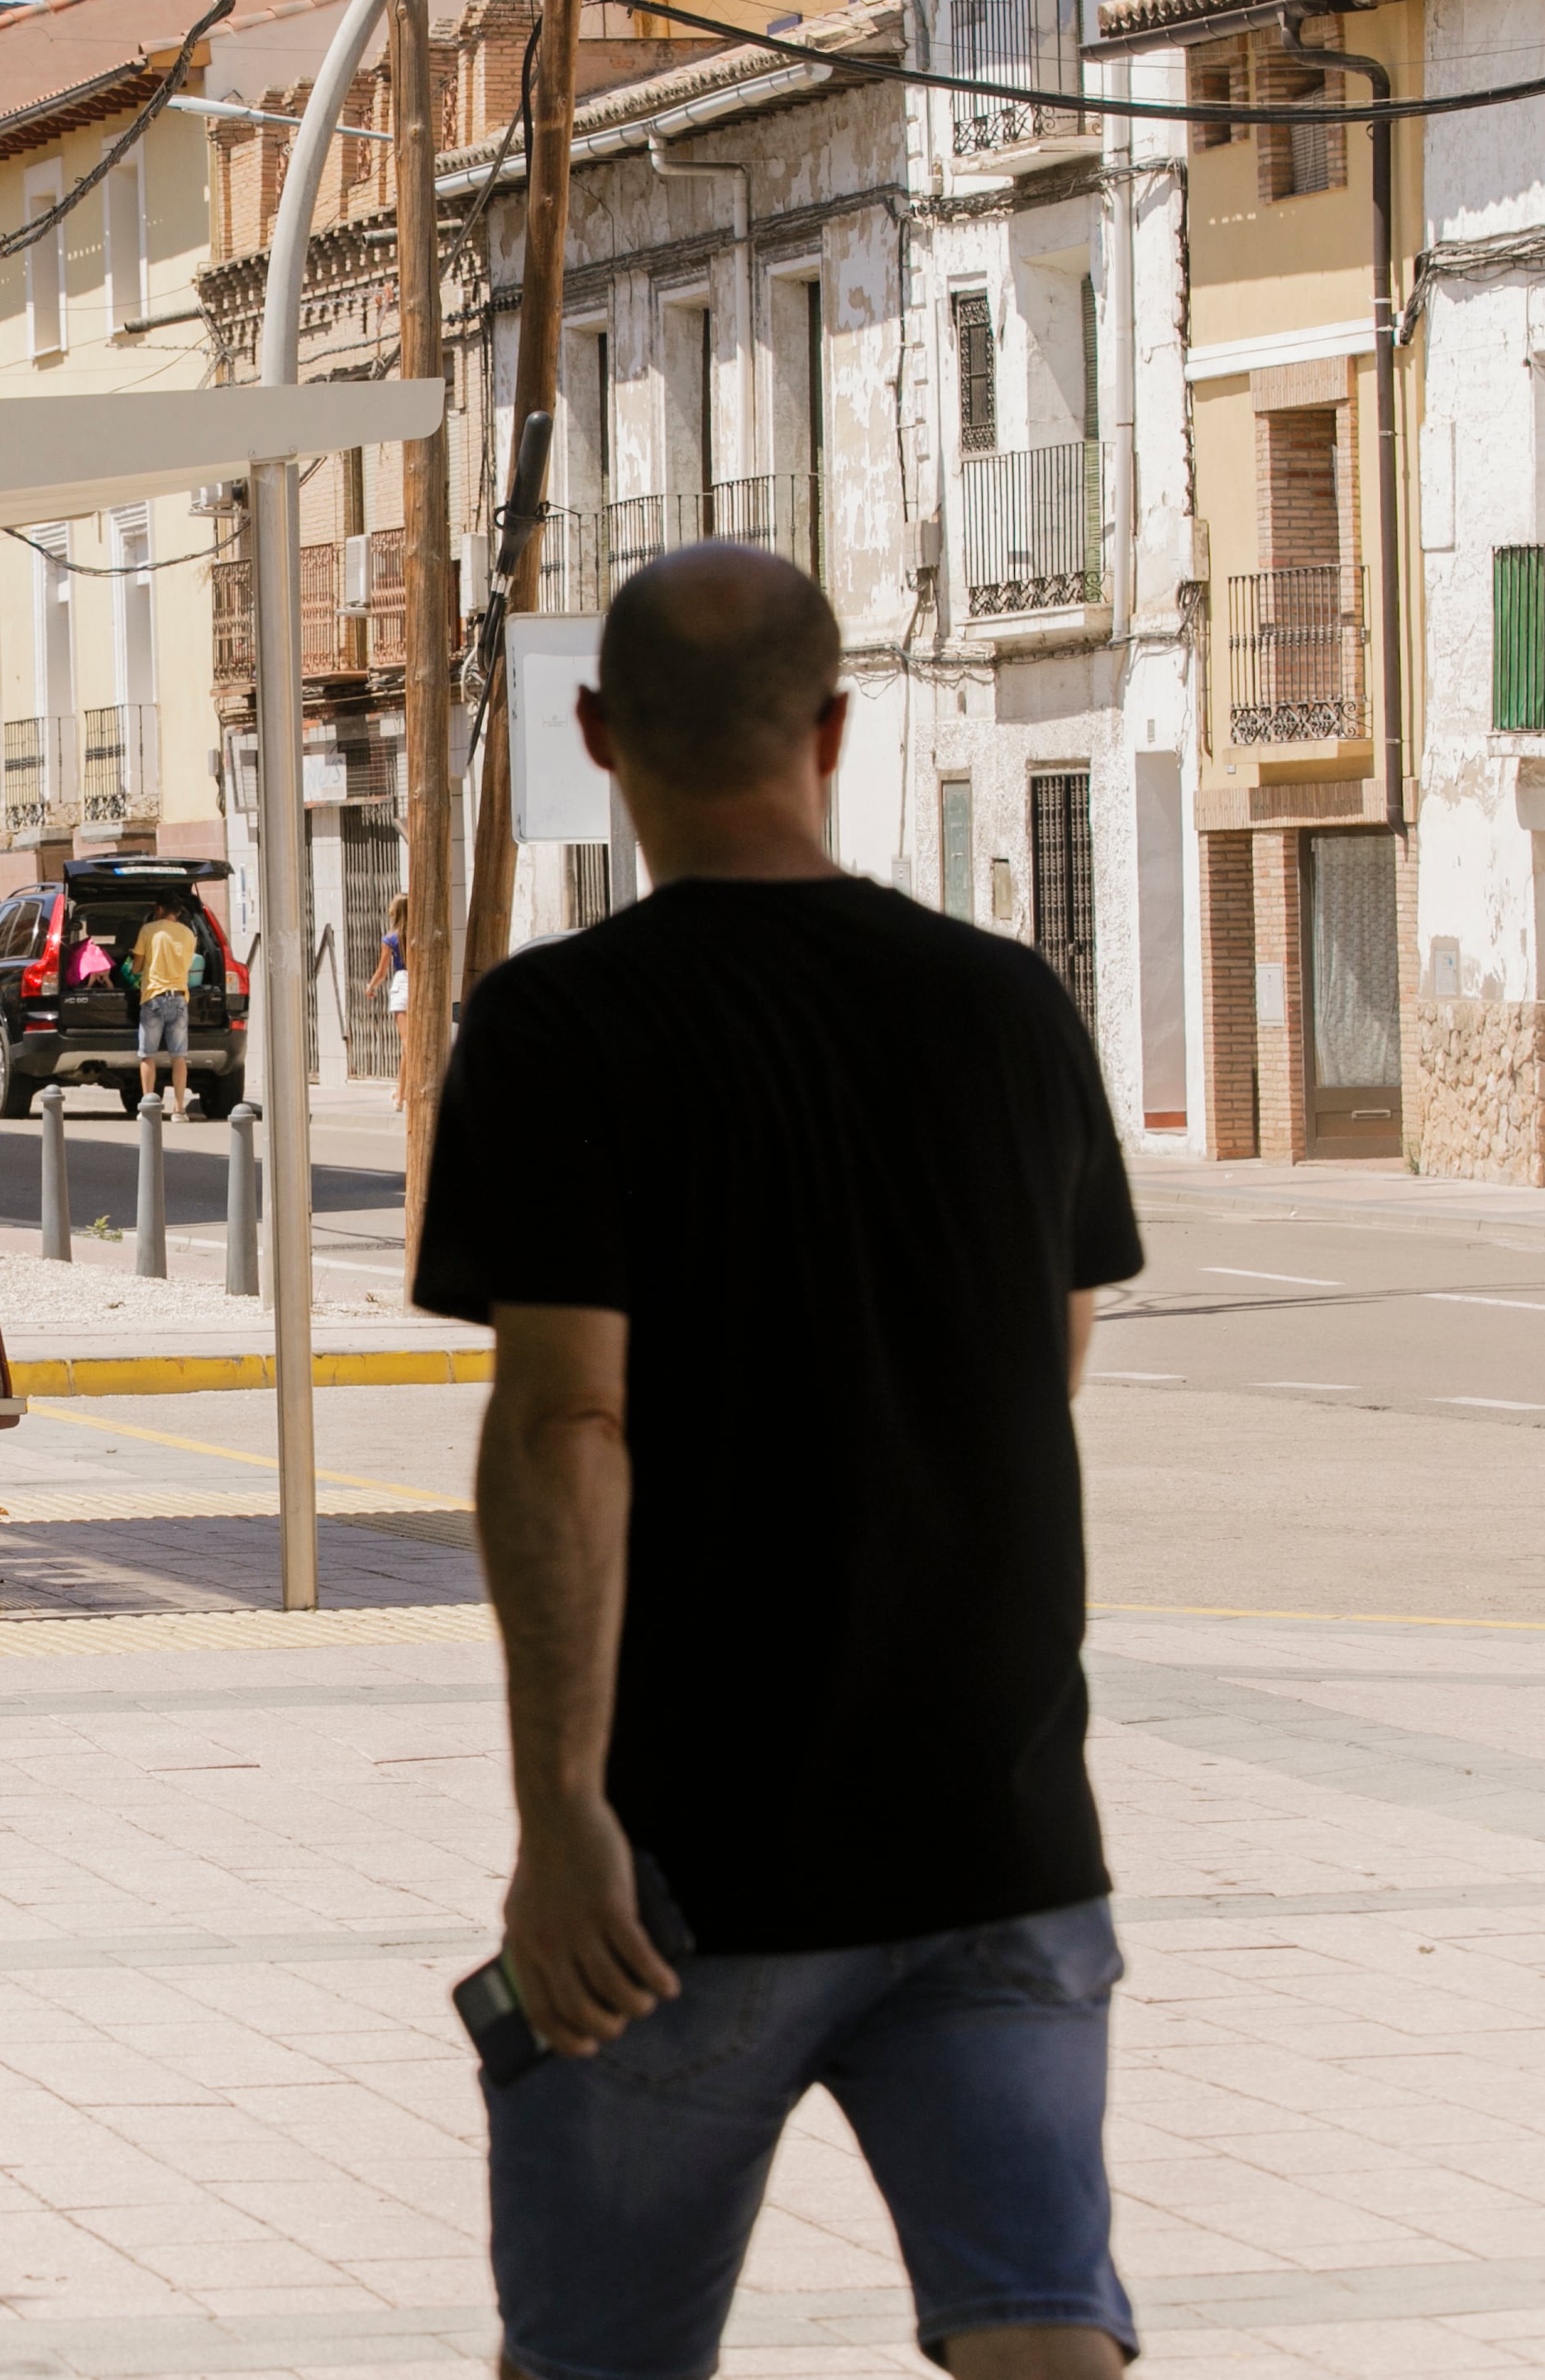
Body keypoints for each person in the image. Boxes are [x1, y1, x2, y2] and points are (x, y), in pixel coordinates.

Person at [412, 541, 1143, 2380]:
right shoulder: (1006, 1005)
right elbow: (1041, 1361)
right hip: (998, 1828)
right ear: (833, 724)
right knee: (1041, 2340)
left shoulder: (558, 1027)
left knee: (598, 2360)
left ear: (593, 735)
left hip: (684, 1867)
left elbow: (568, 1418)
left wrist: (560, 1814)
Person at [130, 896, 203, 1117]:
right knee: (179, 1056)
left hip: (154, 996)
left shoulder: (149, 930)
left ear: (159, 909)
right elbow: (189, 963)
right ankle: (179, 1109)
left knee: (148, 1055)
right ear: (178, 912)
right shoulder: (189, 934)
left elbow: (136, 967)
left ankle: (148, 1107)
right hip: (180, 997)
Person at [375, 891, 412, 1105]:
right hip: (417, 985)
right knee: (408, 1045)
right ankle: (401, 1094)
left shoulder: (391, 938)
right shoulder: (415, 935)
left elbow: (382, 971)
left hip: (401, 984)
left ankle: (405, 1092)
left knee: (407, 1044)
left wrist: (370, 987)